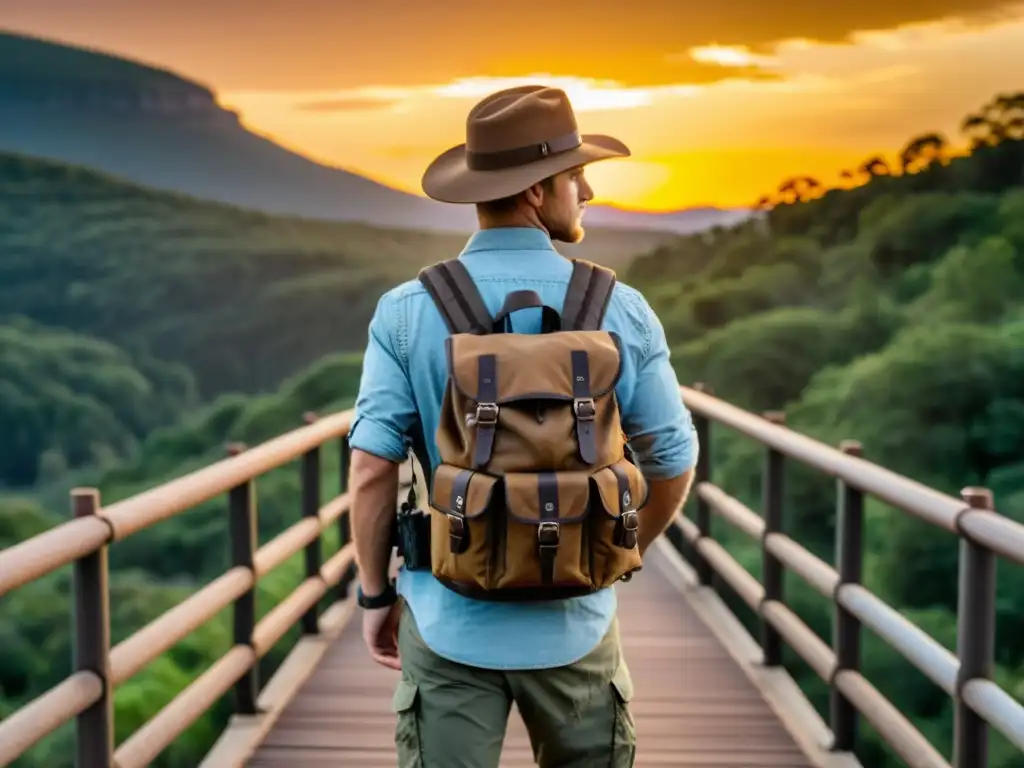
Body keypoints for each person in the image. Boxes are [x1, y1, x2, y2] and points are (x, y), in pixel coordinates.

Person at [347, 84, 698, 768]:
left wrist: (374, 595)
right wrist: (609, 553)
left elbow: (370, 469)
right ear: (538, 191)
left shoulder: (407, 310)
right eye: (576, 176)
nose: (588, 191)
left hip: (449, 620)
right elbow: (675, 457)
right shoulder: (619, 307)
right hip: (578, 627)